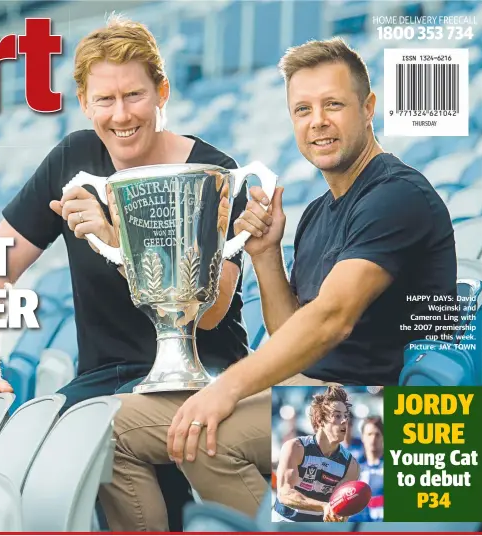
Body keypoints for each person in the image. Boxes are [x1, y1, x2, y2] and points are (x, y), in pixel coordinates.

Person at [98, 37, 455, 530]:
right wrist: (265, 255)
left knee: (207, 436)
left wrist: (226, 391)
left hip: (389, 416)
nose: (318, 121)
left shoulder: (396, 196)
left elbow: (331, 320)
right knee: (107, 425)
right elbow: (297, 339)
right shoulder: (317, 213)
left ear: (369, 108)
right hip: (320, 394)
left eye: (333, 104)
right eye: (302, 109)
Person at [0, 14, 250, 530]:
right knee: (10, 454)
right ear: (84, 102)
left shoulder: (213, 172)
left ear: (162, 92)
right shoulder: (73, 157)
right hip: (103, 379)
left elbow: (211, 313)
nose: (121, 115)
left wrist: (120, 239)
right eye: (105, 100)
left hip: (202, 374)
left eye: (134, 95)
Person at [273, 387, 360, 522]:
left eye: (345, 416)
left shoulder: (351, 465)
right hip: (285, 522)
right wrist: (323, 506)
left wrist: (340, 514)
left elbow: (339, 509)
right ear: (320, 420)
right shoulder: (296, 448)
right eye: (337, 416)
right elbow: (284, 494)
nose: (344, 421)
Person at [349, 416, 384, 522]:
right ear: (363, 437)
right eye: (369, 434)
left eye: (377, 435)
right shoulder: (353, 467)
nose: (373, 439)